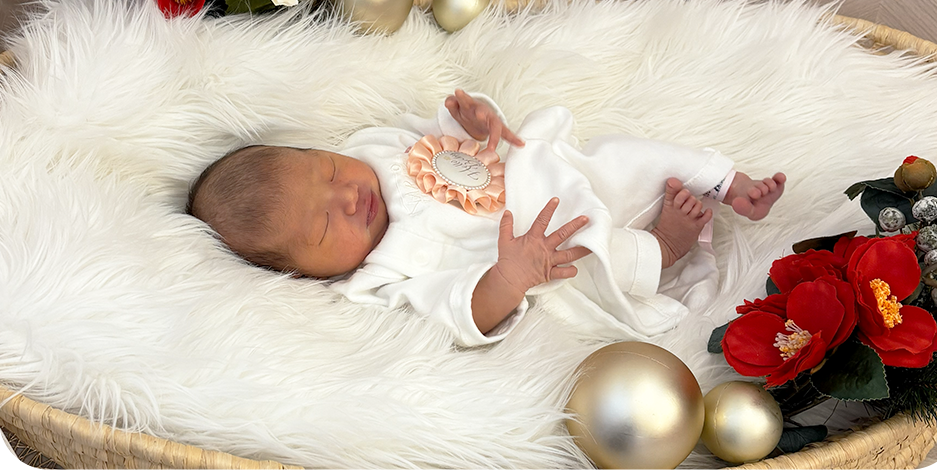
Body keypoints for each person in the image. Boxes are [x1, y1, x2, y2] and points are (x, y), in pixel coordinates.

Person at [188, 90, 785, 345]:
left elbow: (438, 137)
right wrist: (510, 277)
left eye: (325, 170)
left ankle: (728, 182)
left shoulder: (370, 149)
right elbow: (457, 310)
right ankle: (664, 248)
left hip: (545, 172)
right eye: (324, 226)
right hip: (536, 244)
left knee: (621, 157)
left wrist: (473, 122)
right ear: (305, 274)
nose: (346, 196)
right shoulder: (379, 277)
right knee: (588, 261)